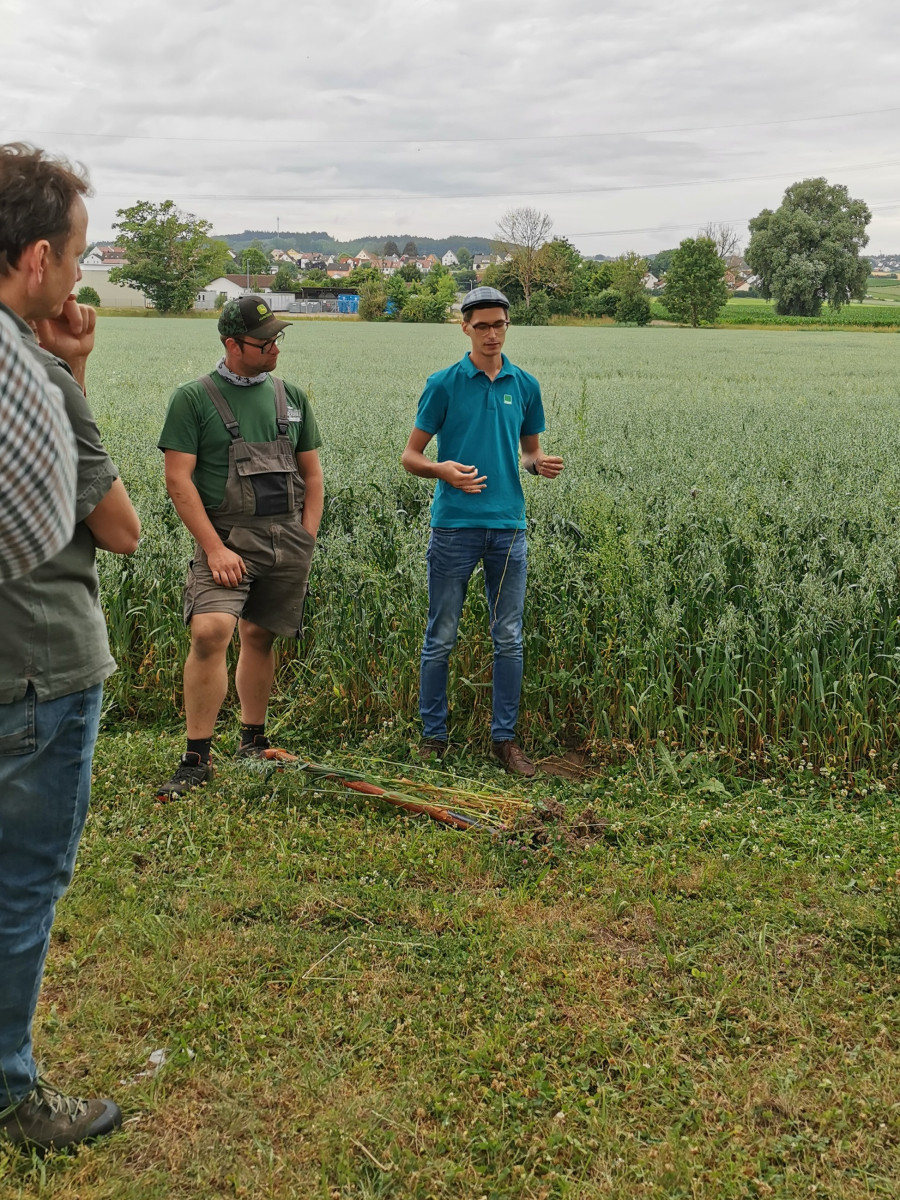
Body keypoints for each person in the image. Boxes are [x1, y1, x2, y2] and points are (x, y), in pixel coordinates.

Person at [0, 143, 141, 1151]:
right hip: (37, 667)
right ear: (37, 258)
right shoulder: (29, 385)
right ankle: (9, 1094)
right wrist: (71, 374)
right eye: (77, 258)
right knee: (22, 885)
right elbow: (123, 526)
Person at [156, 295, 323, 799]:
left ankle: (253, 739)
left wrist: (306, 537)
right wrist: (213, 549)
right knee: (210, 631)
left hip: (285, 539)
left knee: (260, 636)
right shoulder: (193, 399)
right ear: (231, 344)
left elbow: (312, 475)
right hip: (226, 541)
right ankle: (196, 757)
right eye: (264, 340)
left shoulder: (290, 397)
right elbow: (177, 481)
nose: (275, 347)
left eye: (278, 338)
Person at [401, 286, 564, 776]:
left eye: (500, 325)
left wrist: (539, 465)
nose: (492, 334)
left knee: (509, 637)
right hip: (453, 527)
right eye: (483, 326)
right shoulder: (444, 383)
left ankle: (505, 741)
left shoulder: (525, 384)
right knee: (441, 636)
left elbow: (529, 452)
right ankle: (434, 738)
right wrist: (443, 471)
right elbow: (410, 457)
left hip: (509, 527)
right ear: (465, 327)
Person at [0, 310, 77, 581]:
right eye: (74, 264)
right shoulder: (29, 369)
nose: (78, 276)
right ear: (37, 265)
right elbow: (123, 533)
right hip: (37, 614)